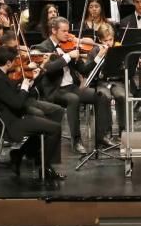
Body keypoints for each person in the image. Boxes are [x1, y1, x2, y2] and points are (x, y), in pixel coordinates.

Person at [33, 17, 112, 152]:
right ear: (53, 31)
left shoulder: (69, 45)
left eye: (68, 31)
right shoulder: (42, 47)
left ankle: (101, 138)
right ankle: (76, 141)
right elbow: (49, 68)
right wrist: (68, 56)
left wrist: (99, 56)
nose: (67, 34)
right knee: (73, 99)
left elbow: (84, 70)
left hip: (71, 87)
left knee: (101, 96)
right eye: (63, 31)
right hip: (54, 90)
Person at [0, 46, 64, 180]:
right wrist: (23, 88)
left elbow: (14, 94)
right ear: (8, 63)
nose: (18, 63)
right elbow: (17, 103)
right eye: (15, 61)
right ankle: (45, 168)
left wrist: (32, 80)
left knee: (45, 127)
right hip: (11, 123)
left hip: (13, 117)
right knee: (55, 128)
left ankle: (19, 154)